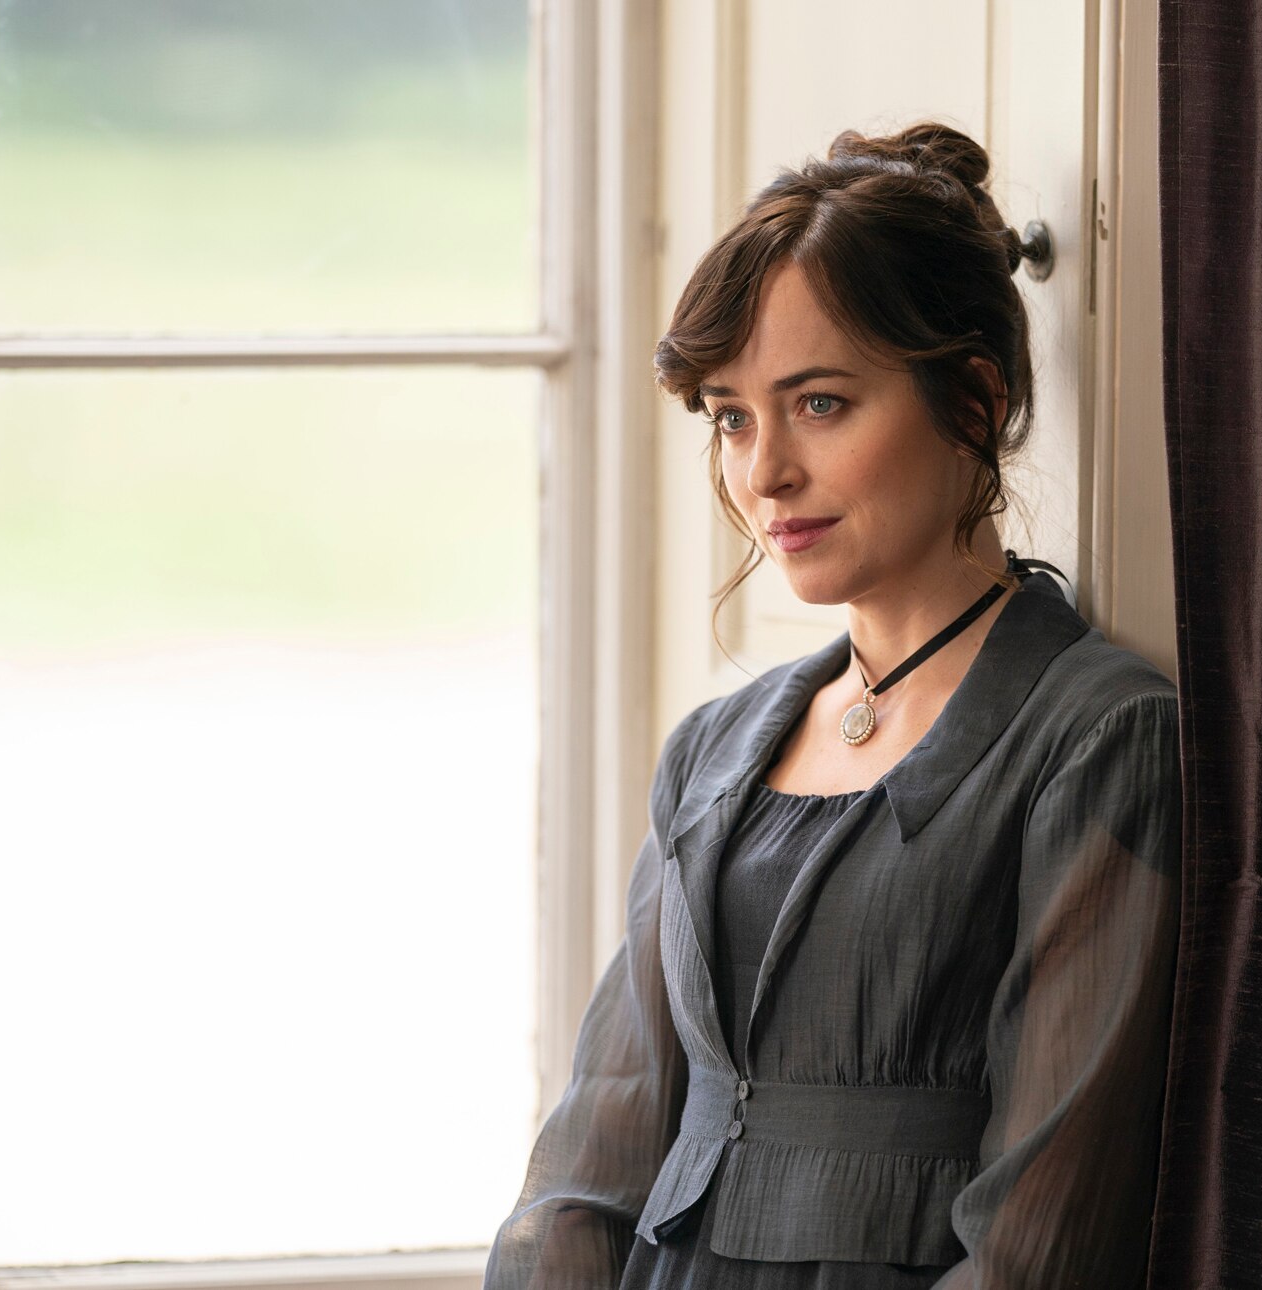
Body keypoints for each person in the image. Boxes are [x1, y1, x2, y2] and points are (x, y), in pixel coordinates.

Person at [484, 121, 1183, 1290]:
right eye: (730, 415)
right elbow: (589, 1166)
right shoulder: (712, 752)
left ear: (972, 400)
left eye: (816, 403)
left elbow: (1039, 1246)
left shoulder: (1096, 741)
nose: (762, 473)